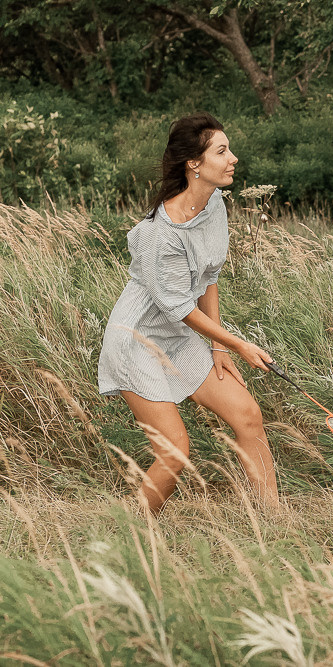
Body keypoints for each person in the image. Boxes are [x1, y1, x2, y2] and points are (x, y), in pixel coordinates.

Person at [98, 112, 278, 515]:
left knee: (248, 415)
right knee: (175, 451)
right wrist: (239, 344)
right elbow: (178, 307)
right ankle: (135, 532)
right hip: (136, 342)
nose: (233, 158)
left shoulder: (214, 204)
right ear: (193, 163)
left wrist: (219, 345)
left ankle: (275, 522)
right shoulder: (158, 235)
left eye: (229, 149)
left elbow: (209, 274)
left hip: (178, 337)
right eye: (222, 151)